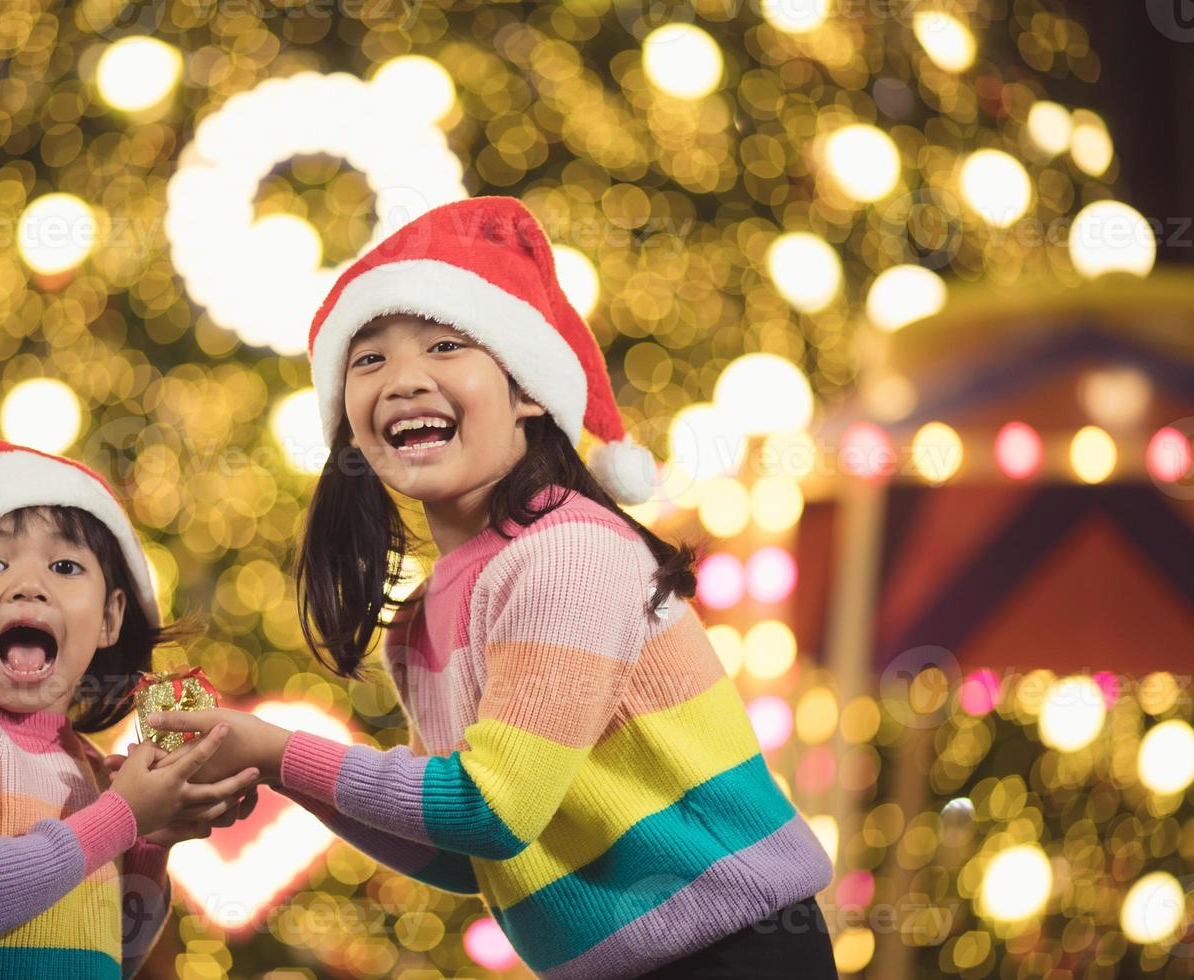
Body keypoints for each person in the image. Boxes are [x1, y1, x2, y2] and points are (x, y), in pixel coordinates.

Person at [145, 197, 839, 978]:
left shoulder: (567, 553)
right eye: (368, 360)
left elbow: (489, 807)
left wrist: (280, 749)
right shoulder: (422, 620)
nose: (404, 380)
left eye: (445, 345)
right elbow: (468, 853)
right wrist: (269, 769)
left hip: (733, 952)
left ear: (529, 390)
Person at [0, 435, 260, 978]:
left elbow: (118, 954)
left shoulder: (82, 764)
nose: (29, 586)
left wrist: (147, 840)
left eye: (64, 567)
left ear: (109, 618)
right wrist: (121, 816)